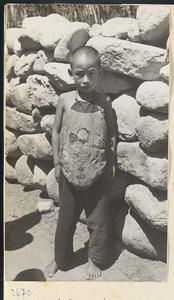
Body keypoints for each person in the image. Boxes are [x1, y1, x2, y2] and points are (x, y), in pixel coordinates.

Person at [44, 46, 116, 280]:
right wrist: (56, 162)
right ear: (70, 72)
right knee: (66, 219)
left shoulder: (104, 101)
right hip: (69, 171)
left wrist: (112, 162)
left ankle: (94, 259)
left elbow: (112, 134)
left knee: (99, 220)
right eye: (79, 74)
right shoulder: (64, 100)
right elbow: (55, 131)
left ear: (100, 74)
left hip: (98, 172)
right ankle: (60, 258)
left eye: (91, 73)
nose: (85, 80)